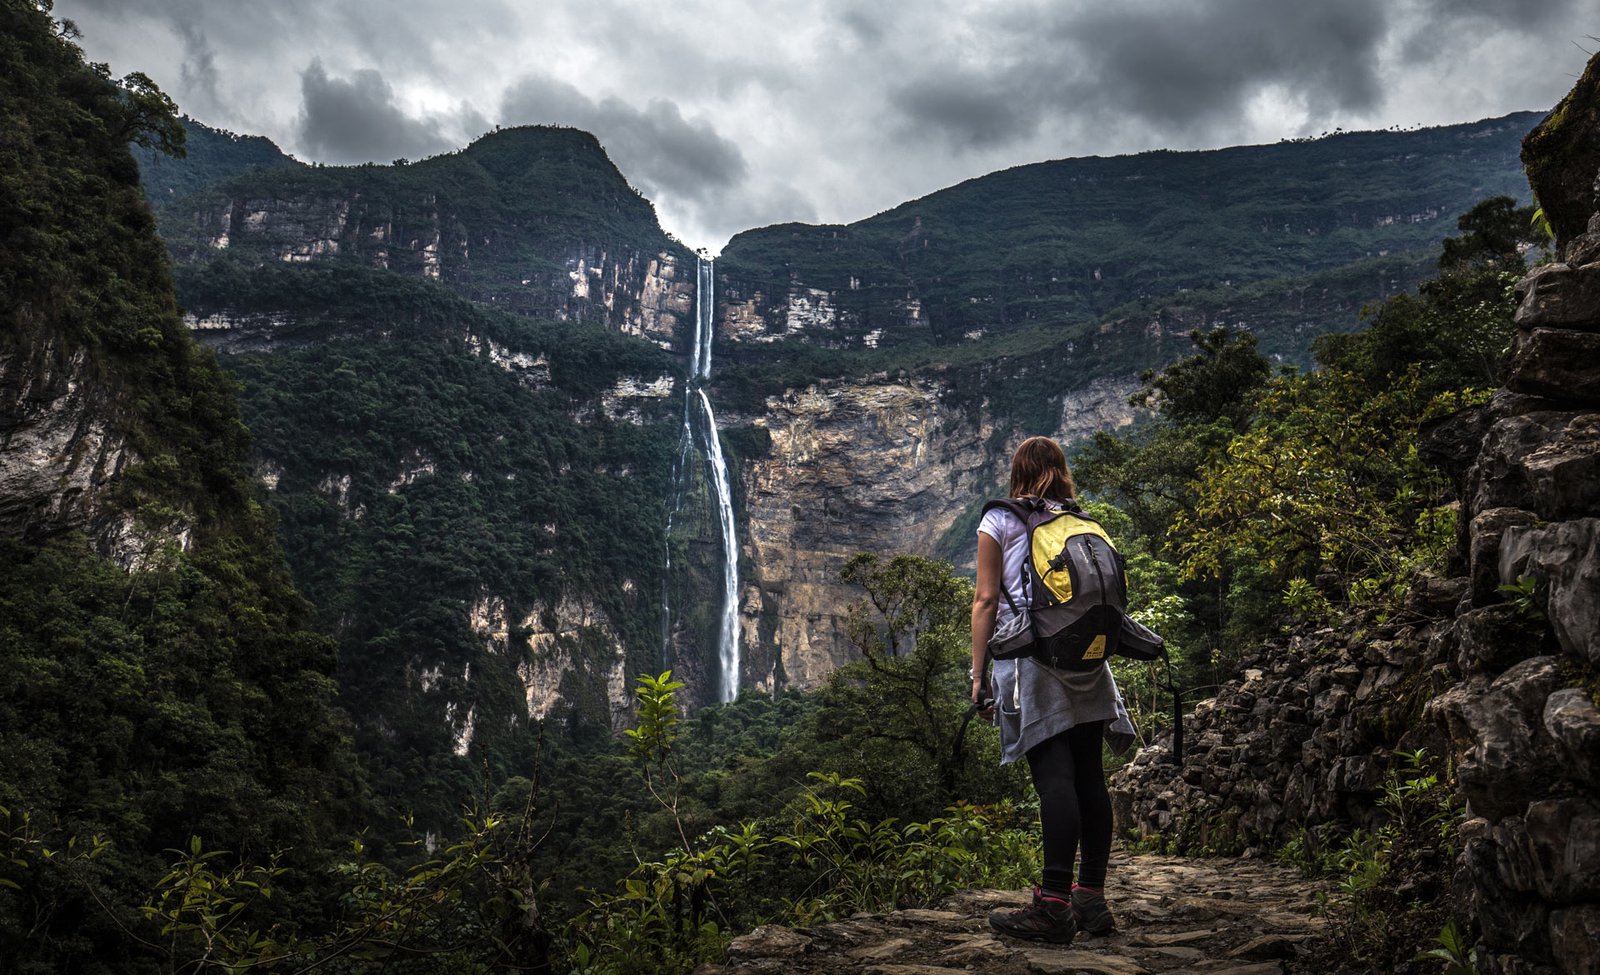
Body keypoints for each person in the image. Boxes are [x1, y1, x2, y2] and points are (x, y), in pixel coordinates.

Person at [970, 435, 1132, 944]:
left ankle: (1054, 906)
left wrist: (977, 674)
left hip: (1034, 663)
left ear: (1017, 472)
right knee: (1089, 777)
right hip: (1090, 662)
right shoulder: (1086, 522)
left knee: (1054, 778)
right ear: (1061, 472)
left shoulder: (999, 519)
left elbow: (985, 599)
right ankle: (1091, 897)